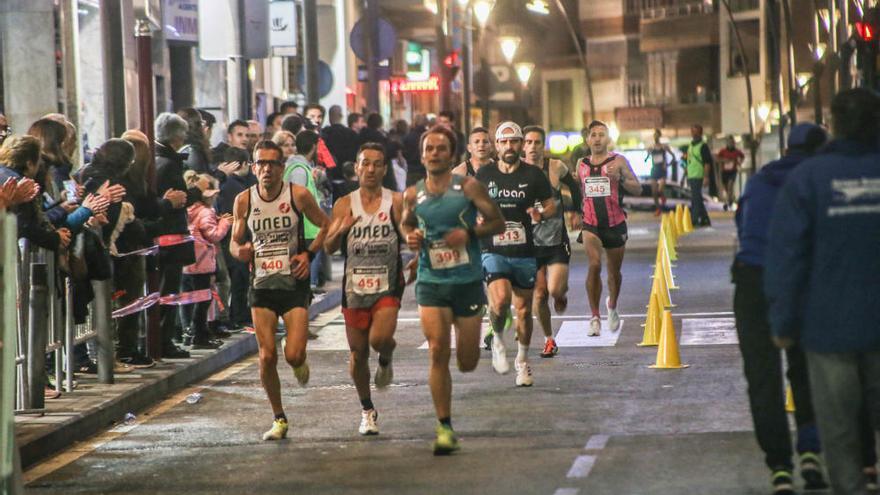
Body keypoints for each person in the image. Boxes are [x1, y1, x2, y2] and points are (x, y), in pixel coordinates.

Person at [765, 88, 880, 495]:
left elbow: (786, 257)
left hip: (829, 332)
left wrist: (783, 323)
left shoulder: (809, 179)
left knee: (841, 439)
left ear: (835, 125)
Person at [734, 123, 832, 495]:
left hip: (752, 279)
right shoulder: (819, 179)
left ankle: (779, 467)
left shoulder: (759, 180)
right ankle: (811, 449)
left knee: (763, 377)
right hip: (802, 279)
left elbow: (745, 230)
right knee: (805, 366)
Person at [401, 125, 504, 454]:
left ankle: (490, 332)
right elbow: (406, 222)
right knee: (437, 351)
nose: (434, 153)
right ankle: (444, 426)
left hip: (466, 282)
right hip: (431, 282)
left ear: (451, 153)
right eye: (429, 148)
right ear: (422, 155)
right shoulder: (412, 194)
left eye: (440, 148)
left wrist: (470, 234)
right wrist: (410, 236)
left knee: (468, 361)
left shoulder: (469, 187)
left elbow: (497, 222)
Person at [230, 139, 328, 441]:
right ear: (254, 166)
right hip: (261, 285)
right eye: (261, 163)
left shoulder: (297, 195)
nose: (267, 169)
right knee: (267, 355)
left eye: (273, 163)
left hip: (293, 284)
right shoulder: (244, 200)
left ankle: (299, 362)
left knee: (293, 354)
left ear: (282, 168)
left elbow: (326, 225)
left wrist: (308, 255)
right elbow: (235, 241)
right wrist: (240, 252)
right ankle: (279, 418)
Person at [324, 143, 403, 436]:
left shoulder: (395, 201)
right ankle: (367, 409)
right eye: (365, 163)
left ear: (384, 169)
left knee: (381, 338)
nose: (370, 169)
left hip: (388, 283)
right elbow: (330, 247)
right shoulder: (345, 203)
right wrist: (340, 230)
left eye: (377, 164)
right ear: (356, 168)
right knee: (358, 353)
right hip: (354, 286)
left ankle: (386, 353)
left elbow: (409, 234)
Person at [476, 122, 555, 386]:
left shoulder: (533, 175)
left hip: (524, 250)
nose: (509, 147)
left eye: (514, 142)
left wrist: (540, 214)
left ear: (520, 144)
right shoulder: (484, 175)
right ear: (496, 146)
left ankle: (522, 361)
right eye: (504, 142)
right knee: (499, 302)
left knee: (522, 310)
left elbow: (550, 205)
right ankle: (498, 339)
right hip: (493, 248)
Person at [575, 120, 641, 336]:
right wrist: (576, 212)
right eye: (593, 135)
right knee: (594, 265)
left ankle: (612, 305)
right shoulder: (581, 164)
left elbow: (638, 188)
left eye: (601, 135)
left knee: (614, 273)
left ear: (608, 139)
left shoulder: (618, 161)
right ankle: (594, 316)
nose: (597, 139)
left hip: (614, 223)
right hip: (591, 224)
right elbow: (579, 191)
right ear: (587, 140)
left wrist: (620, 179)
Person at [522, 125, 583, 358]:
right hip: (531, 244)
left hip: (556, 240)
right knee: (539, 295)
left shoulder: (555, 167)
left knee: (554, 289)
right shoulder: (516, 170)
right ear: (523, 144)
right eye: (528, 142)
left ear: (543, 145)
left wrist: (577, 212)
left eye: (537, 142)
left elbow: (575, 188)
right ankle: (549, 339)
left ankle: (560, 294)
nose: (533, 147)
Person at [154, 112, 196, 358]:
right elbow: (179, 199)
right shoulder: (168, 164)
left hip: (164, 239)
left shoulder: (159, 159)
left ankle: (162, 339)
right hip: (170, 239)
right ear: (178, 138)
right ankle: (163, 341)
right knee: (168, 292)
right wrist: (197, 192)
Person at [182, 172, 232, 349]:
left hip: (186, 264)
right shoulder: (205, 212)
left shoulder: (186, 211)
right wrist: (225, 223)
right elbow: (214, 235)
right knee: (202, 302)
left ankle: (188, 333)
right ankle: (200, 336)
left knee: (187, 301)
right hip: (202, 263)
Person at [216, 147, 256, 329]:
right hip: (235, 239)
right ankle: (238, 316)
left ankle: (235, 315)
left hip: (226, 238)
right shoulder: (237, 187)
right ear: (245, 164)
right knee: (238, 280)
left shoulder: (226, 183)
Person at [284, 131, 329, 290]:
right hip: (304, 230)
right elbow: (297, 199)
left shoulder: (301, 167)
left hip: (308, 229)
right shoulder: (299, 170)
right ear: (313, 147)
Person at [684, 124, 713, 227]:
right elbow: (689, 161)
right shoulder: (691, 145)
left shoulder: (703, 146)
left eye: (695, 132)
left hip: (699, 175)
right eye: (692, 131)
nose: (693, 134)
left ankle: (694, 220)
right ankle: (705, 219)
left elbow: (707, 163)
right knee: (697, 198)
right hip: (692, 175)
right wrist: (686, 175)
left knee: (695, 199)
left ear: (700, 133)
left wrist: (706, 177)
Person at [646, 129, 675, 216]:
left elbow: (673, 157)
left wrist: (668, 165)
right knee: (654, 192)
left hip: (662, 170)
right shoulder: (651, 147)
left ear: (659, 136)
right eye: (654, 136)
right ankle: (658, 208)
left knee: (660, 190)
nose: (655, 137)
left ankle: (662, 197)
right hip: (654, 170)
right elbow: (647, 158)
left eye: (657, 136)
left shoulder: (664, 147)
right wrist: (647, 154)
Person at [178, 108, 212, 173]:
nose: (204, 126)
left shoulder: (183, 148)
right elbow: (200, 180)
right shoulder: (193, 151)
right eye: (201, 122)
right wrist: (221, 173)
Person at [717, 135, 745, 210]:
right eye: (729, 142)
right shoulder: (723, 151)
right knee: (727, 189)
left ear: (734, 143)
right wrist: (724, 160)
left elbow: (742, 157)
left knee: (730, 186)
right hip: (724, 172)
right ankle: (731, 199)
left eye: (732, 142)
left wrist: (740, 162)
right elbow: (717, 158)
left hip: (733, 171)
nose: (730, 143)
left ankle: (728, 203)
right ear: (727, 143)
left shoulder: (737, 151)